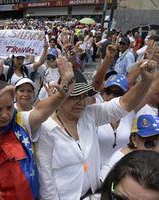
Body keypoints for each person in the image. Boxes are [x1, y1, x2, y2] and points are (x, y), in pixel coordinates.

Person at [35, 59, 157, 200]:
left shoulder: (89, 114)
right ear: (60, 96)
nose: (80, 102)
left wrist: (145, 82)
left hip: (92, 194)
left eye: (84, 96)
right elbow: (46, 180)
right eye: (74, 96)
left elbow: (122, 104)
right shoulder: (46, 128)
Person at [0, 55, 75, 200]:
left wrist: (60, 97)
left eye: (8, 107)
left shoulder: (19, 120)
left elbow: (40, 112)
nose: (5, 114)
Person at [100, 114, 159, 181]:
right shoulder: (120, 158)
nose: (155, 147)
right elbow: (103, 181)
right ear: (134, 139)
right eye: (149, 142)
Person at [97, 74, 135, 167]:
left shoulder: (130, 113)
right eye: (108, 91)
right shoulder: (95, 112)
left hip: (122, 171)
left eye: (117, 93)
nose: (111, 96)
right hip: (97, 174)